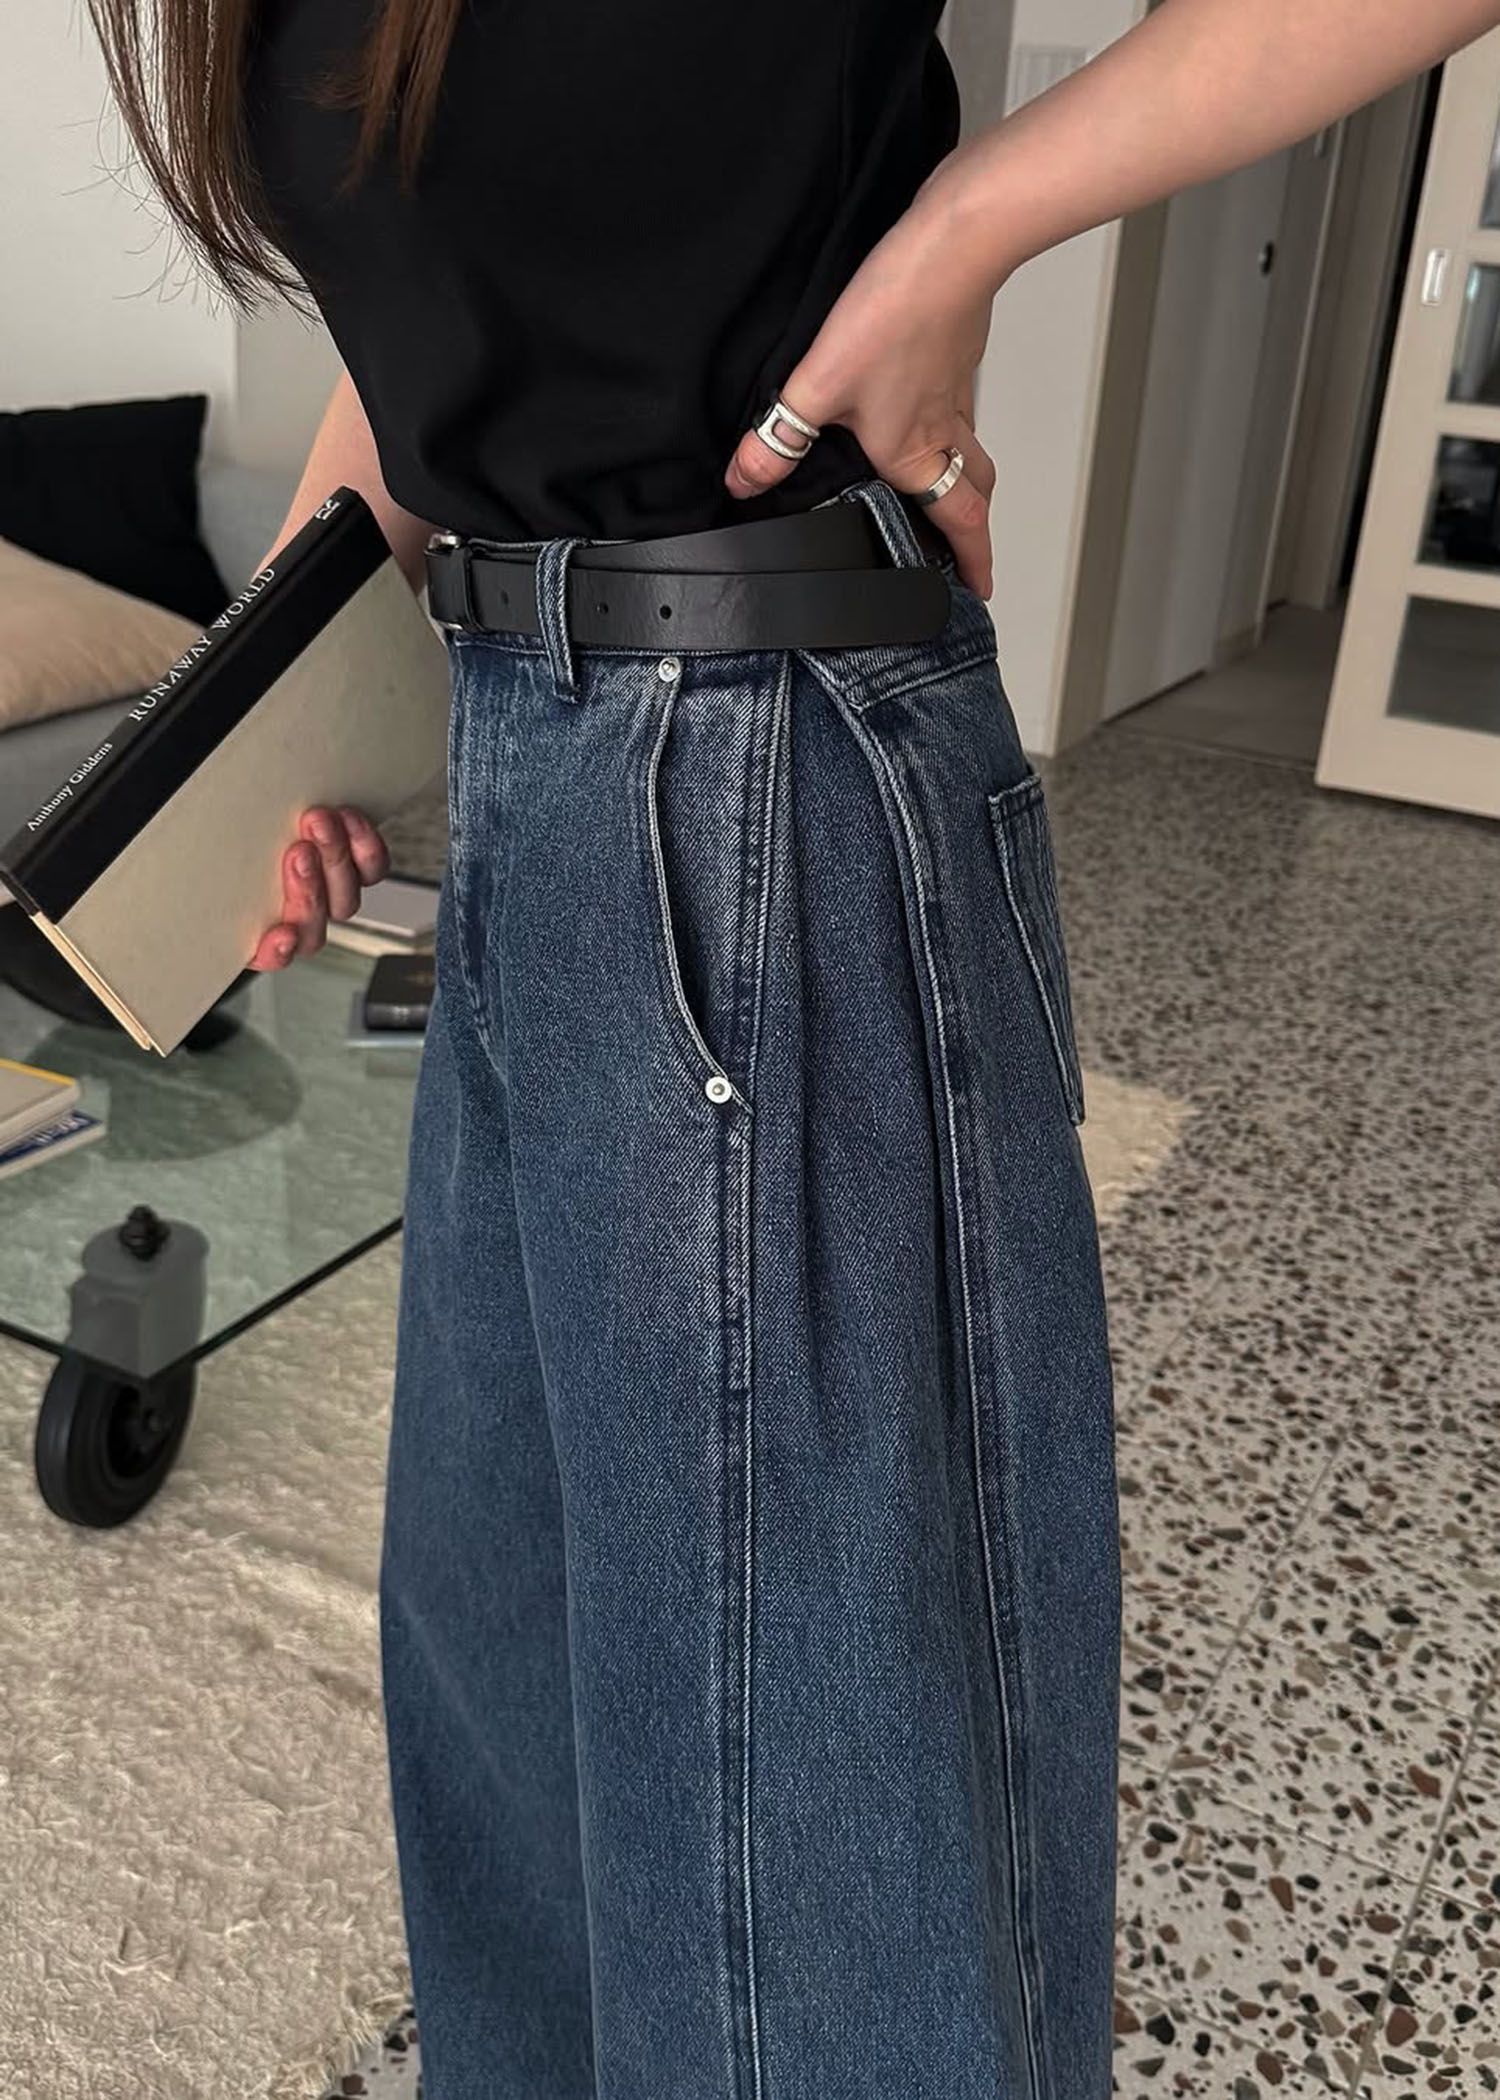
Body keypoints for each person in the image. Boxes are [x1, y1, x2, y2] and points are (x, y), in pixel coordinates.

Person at [90, 1, 1500, 2092]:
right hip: (525, 762)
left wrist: (968, 224)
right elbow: (431, 342)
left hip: (763, 766)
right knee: (512, 1727)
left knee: (799, 1880)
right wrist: (271, 707)